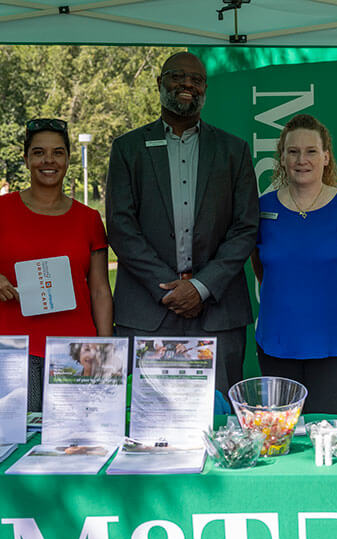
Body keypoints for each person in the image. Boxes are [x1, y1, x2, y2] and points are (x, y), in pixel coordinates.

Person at [106, 51, 259, 394]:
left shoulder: (233, 151)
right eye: (177, 76)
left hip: (217, 313)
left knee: (219, 420)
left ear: (205, 88)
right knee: (145, 422)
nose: (187, 84)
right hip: (147, 312)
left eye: (197, 79)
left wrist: (201, 287)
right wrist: (168, 288)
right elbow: (120, 225)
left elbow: (245, 226)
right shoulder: (128, 149)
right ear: (160, 83)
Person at [0, 118, 112, 412]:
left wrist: (106, 353)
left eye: (58, 152)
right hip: (14, 349)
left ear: (68, 159)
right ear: (26, 158)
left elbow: (99, 290)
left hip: (75, 351)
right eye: (39, 152)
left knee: (76, 443)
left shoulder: (89, 219)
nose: (49, 160)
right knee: (17, 440)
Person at [251, 113, 337, 414]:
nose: (302, 159)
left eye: (311, 151)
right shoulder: (261, 210)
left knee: (331, 440)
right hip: (276, 344)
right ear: (282, 158)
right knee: (280, 440)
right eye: (293, 151)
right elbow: (262, 268)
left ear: (326, 157)